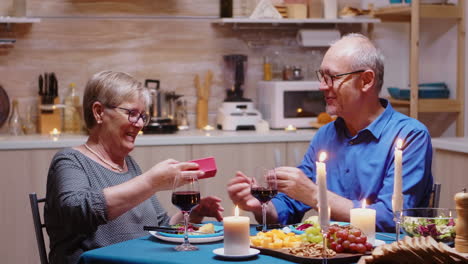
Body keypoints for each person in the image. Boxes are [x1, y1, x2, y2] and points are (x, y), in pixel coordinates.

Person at [227, 33, 433, 233]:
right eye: (322, 77)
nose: (321, 86)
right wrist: (261, 206)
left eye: (331, 77)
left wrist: (314, 194)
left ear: (366, 80)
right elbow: (290, 206)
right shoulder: (325, 135)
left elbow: (392, 218)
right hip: (332, 252)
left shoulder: (410, 136)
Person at [45, 71, 224, 264]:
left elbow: (161, 227)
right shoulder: (70, 161)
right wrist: (151, 181)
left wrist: (193, 213)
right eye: (131, 114)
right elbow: (76, 210)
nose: (139, 124)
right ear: (99, 112)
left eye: (142, 116)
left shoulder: (128, 164)